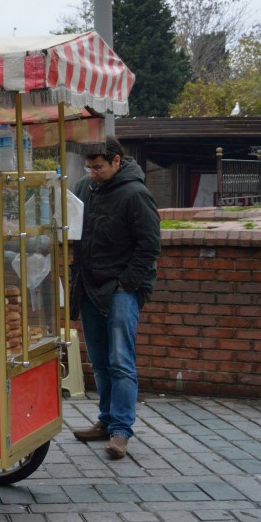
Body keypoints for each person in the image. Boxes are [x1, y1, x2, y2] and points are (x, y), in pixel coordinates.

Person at [69, 137, 160, 460]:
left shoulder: (135, 194)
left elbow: (149, 246)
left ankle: (121, 430)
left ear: (117, 161)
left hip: (121, 288)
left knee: (121, 360)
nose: (92, 173)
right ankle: (106, 420)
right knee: (100, 360)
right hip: (89, 285)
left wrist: (126, 284)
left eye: (98, 167)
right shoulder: (84, 188)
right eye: (89, 167)